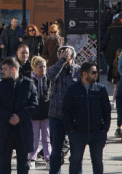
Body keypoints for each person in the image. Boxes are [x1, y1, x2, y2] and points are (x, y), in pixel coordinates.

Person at [0, 57, 38, 174]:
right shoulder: (0, 86)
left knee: (23, 165)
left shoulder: (28, 85)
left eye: (5, 69)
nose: (2, 71)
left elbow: (34, 106)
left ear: (13, 69)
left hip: (22, 129)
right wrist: (9, 116)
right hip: (5, 129)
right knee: (4, 164)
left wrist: (19, 117)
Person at [62, 62, 111, 174]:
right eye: (93, 72)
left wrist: (104, 129)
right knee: (75, 161)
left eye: (97, 72)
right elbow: (66, 110)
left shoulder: (100, 89)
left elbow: (107, 110)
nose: (96, 75)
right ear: (84, 74)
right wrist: (70, 129)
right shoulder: (73, 89)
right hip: (78, 132)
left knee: (97, 162)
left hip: (97, 132)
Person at [47, 45, 80, 174]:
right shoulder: (55, 68)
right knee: (56, 151)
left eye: (67, 53)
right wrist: (61, 61)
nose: (64, 55)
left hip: (74, 116)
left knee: (76, 151)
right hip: (56, 115)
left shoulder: (78, 70)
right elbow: (50, 75)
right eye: (61, 53)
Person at [28, 56, 51, 168]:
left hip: (46, 113)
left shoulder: (48, 79)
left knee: (47, 138)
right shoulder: (30, 80)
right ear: (34, 68)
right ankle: (32, 158)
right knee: (34, 137)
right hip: (35, 114)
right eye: (40, 67)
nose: (42, 69)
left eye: (44, 67)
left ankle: (48, 159)